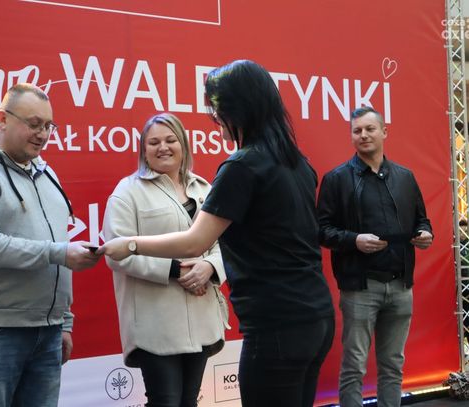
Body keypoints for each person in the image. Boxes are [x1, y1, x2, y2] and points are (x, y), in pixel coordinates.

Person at [98, 60, 335, 407]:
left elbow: (196, 241)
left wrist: (130, 244)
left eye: (217, 109)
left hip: (277, 323)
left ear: (236, 109)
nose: (214, 117)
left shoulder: (241, 166)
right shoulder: (298, 163)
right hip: (316, 317)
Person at [0, 83, 100, 407]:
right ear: (2, 119)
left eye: (49, 126)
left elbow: (58, 241)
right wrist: (59, 254)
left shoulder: (46, 174)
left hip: (47, 331)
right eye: (34, 124)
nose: (43, 134)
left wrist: (63, 321)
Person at [102, 112, 227, 407]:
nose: (163, 147)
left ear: (183, 144)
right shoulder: (127, 193)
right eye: (154, 142)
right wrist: (175, 270)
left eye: (171, 140)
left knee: (188, 402)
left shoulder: (205, 189)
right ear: (143, 150)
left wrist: (209, 267)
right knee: (165, 402)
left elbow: (227, 244)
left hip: (202, 317)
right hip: (155, 324)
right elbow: (117, 254)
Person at [316, 106, 433, 407]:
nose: (363, 135)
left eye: (370, 129)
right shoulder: (337, 179)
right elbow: (321, 230)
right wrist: (354, 240)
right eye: (357, 131)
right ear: (351, 136)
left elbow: (422, 219)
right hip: (360, 287)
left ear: (384, 132)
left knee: (393, 365)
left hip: (401, 286)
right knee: (354, 366)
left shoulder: (405, 177)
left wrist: (424, 233)